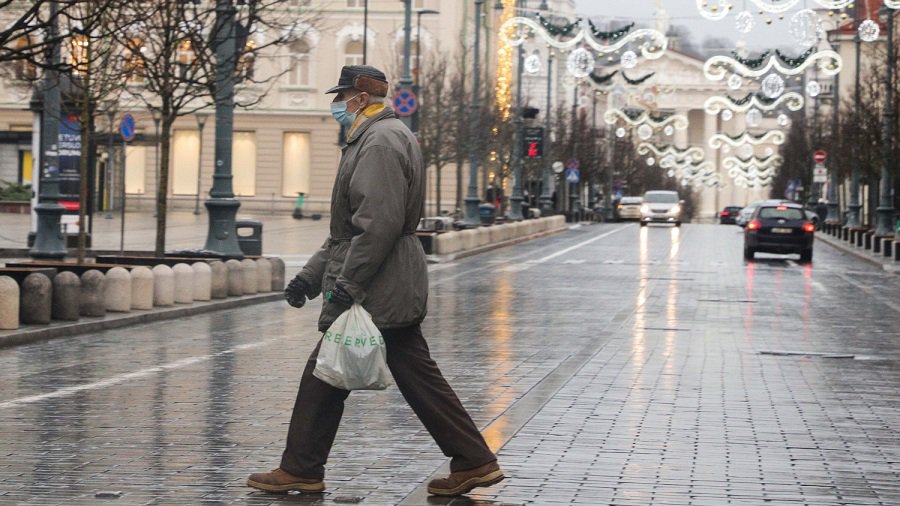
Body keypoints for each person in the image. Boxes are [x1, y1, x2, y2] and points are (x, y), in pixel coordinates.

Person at [247, 65, 503, 497]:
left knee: (328, 372)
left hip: (379, 282)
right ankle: (473, 460)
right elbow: (347, 231)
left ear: (361, 99)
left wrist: (350, 284)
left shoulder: (380, 143)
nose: (337, 105)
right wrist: (310, 278)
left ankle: (302, 467)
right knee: (393, 374)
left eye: (342, 96)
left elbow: (377, 226)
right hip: (385, 278)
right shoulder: (371, 139)